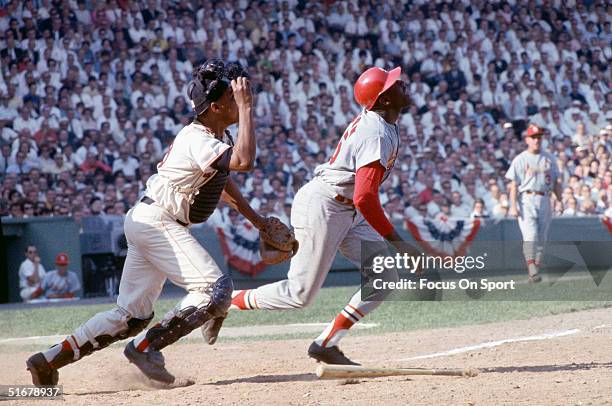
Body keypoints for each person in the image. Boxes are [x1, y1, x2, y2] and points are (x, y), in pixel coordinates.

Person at [26, 59, 266, 387]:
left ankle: (48, 360)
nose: (239, 97)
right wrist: (247, 107)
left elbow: (222, 181)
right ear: (214, 106)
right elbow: (243, 161)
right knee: (215, 289)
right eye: (231, 97)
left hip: (147, 220)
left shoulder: (208, 137)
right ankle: (144, 348)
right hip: (158, 222)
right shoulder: (197, 138)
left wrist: (258, 221)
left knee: (131, 316)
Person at [204, 66, 413, 365]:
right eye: (394, 85)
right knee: (298, 295)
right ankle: (224, 302)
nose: (402, 85)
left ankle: (326, 344)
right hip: (326, 205)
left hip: (345, 207)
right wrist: (399, 242)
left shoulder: (384, 122)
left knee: (383, 277)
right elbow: (365, 197)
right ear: (384, 101)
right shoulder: (376, 131)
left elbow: (361, 198)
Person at [506, 124, 562, 282]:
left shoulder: (549, 158)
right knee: (531, 235)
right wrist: (512, 205)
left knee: (542, 239)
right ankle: (532, 269)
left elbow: (557, 181)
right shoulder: (520, 159)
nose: (537, 140)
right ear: (527, 139)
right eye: (534, 137)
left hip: (545, 197)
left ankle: (535, 269)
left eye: (539, 137)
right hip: (526, 198)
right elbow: (513, 185)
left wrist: (560, 200)